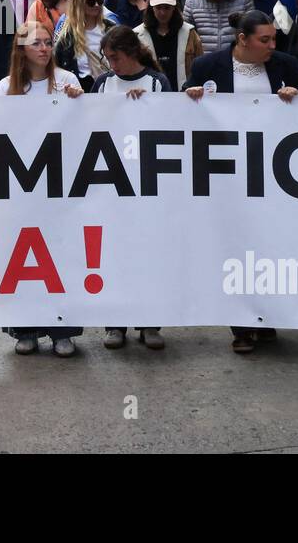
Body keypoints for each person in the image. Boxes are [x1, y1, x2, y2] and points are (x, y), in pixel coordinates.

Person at [185, 10, 298, 354]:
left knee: (269, 247)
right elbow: (179, 108)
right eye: (264, 40)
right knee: (236, 247)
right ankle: (241, 324)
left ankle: (266, 317)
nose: (272, 45)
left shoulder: (283, 64)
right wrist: (190, 96)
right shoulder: (208, 67)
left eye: (274, 39)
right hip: (227, 175)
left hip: (274, 174)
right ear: (242, 39)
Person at [0, 20, 83, 356]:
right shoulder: (6, 87)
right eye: (37, 43)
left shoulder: (66, 81)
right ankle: (25, 329)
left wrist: (80, 103)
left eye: (48, 42)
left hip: (57, 184)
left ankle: (62, 329)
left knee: (59, 256)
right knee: (22, 259)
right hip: (20, 186)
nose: (44, 48)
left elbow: (85, 130)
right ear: (21, 50)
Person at [95, 26, 170, 351]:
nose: (112, 65)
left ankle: (150, 323)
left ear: (133, 52)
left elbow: (170, 125)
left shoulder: (157, 83)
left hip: (147, 182)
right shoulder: (102, 84)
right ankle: (115, 323)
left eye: (116, 58)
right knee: (115, 254)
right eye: (108, 59)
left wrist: (146, 107)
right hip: (111, 183)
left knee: (149, 254)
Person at [54, 0, 120, 91]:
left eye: (100, 0)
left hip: (110, 89)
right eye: (90, 2)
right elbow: (57, 69)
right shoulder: (66, 37)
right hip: (80, 93)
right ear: (79, 3)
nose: (96, 5)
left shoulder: (111, 29)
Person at [135, 0, 201, 91]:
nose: (163, 12)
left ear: (174, 8)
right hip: (150, 96)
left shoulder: (189, 33)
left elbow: (200, 66)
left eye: (167, 8)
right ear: (151, 8)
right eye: (158, 8)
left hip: (184, 96)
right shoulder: (137, 35)